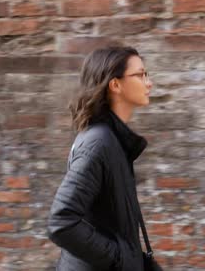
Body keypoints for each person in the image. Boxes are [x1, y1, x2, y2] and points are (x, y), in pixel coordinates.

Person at [48, 46, 155, 270]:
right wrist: (120, 259)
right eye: (139, 75)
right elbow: (62, 221)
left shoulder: (113, 139)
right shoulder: (99, 143)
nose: (149, 83)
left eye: (147, 74)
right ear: (115, 84)